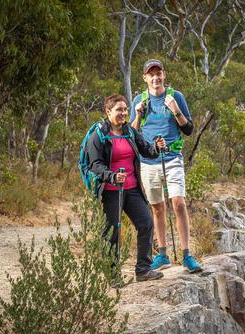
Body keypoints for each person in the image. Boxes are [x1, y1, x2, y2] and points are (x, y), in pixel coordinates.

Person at [130, 59, 203, 273]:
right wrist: (138, 115)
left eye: (158, 73)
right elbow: (132, 134)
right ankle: (162, 255)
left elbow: (189, 129)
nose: (155, 78)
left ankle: (187, 255)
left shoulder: (175, 97)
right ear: (145, 78)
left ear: (164, 75)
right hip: (148, 161)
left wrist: (176, 110)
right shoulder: (139, 100)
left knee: (178, 203)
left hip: (172, 158)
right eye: (151, 74)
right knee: (157, 207)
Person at [86, 94, 167, 282]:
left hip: (132, 189)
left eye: (125, 109)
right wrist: (113, 177)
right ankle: (112, 275)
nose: (123, 113)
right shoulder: (98, 135)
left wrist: (157, 146)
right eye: (119, 110)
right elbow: (95, 165)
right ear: (108, 112)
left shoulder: (130, 132)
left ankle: (143, 270)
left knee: (146, 223)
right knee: (112, 233)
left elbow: (147, 150)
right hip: (110, 191)